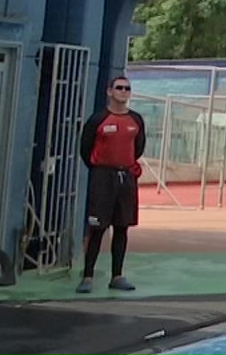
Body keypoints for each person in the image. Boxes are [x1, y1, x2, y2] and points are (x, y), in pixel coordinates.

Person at [77, 75, 146, 293]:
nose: (123, 92)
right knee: (97, 227)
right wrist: (101, 169)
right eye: (119, 88)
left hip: (126, 178)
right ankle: (87, 276)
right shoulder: (98, 120)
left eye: (127, 88)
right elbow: (85, 149)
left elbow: (139, 147)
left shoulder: (136, 120)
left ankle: (117, 275)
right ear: (109, 91)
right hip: (102, 178)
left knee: (122, 227)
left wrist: (125, 167)